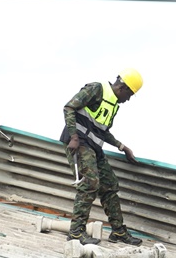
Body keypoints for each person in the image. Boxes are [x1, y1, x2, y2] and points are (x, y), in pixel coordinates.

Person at [61, 69, 143, 246]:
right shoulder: (96, 89)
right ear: (123, 88)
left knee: (110, 184)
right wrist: (73, 136)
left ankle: (118, 232)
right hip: (79, 143)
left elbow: (102, 131)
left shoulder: (113, 105)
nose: (128, 99)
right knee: (90, 184)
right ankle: (76, 232)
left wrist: (122, 147)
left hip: (93, 146)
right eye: (130, 95)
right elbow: (69, 107)